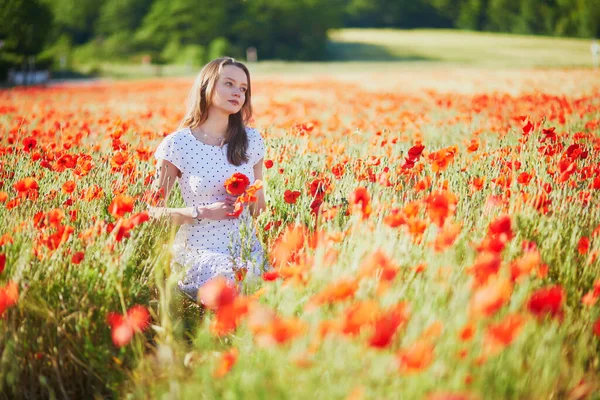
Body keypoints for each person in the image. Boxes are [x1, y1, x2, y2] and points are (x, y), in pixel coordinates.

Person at [148, 57, 269, 302]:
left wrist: (249, 196)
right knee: (236, 283)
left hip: (246, 249)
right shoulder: (178, 145)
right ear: (207, 86)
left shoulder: (252, 141)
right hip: (199, 252)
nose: (238, 92)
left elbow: (259, 209)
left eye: (243, 89)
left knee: (272, 286)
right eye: (229, 84)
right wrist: (202, 211)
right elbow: (150, 212)